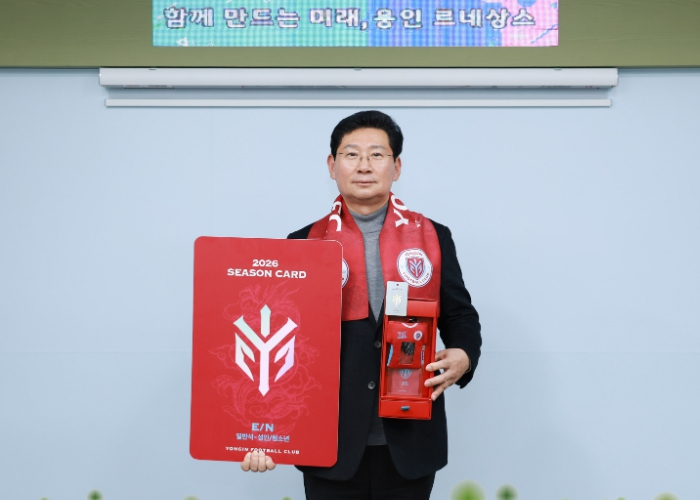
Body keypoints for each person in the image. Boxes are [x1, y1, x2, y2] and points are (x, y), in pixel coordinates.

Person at [241, 110, 482, 500]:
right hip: (328, 441)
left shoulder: (433, 237)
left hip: (410, 442)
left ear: (396, 166)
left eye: (377, 155)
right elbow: (277, 341)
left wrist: (464, 354)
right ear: (332, 165)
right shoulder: (302, 244)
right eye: (351, 154)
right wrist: (261, 429)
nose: (364, 166)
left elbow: (459, 314)